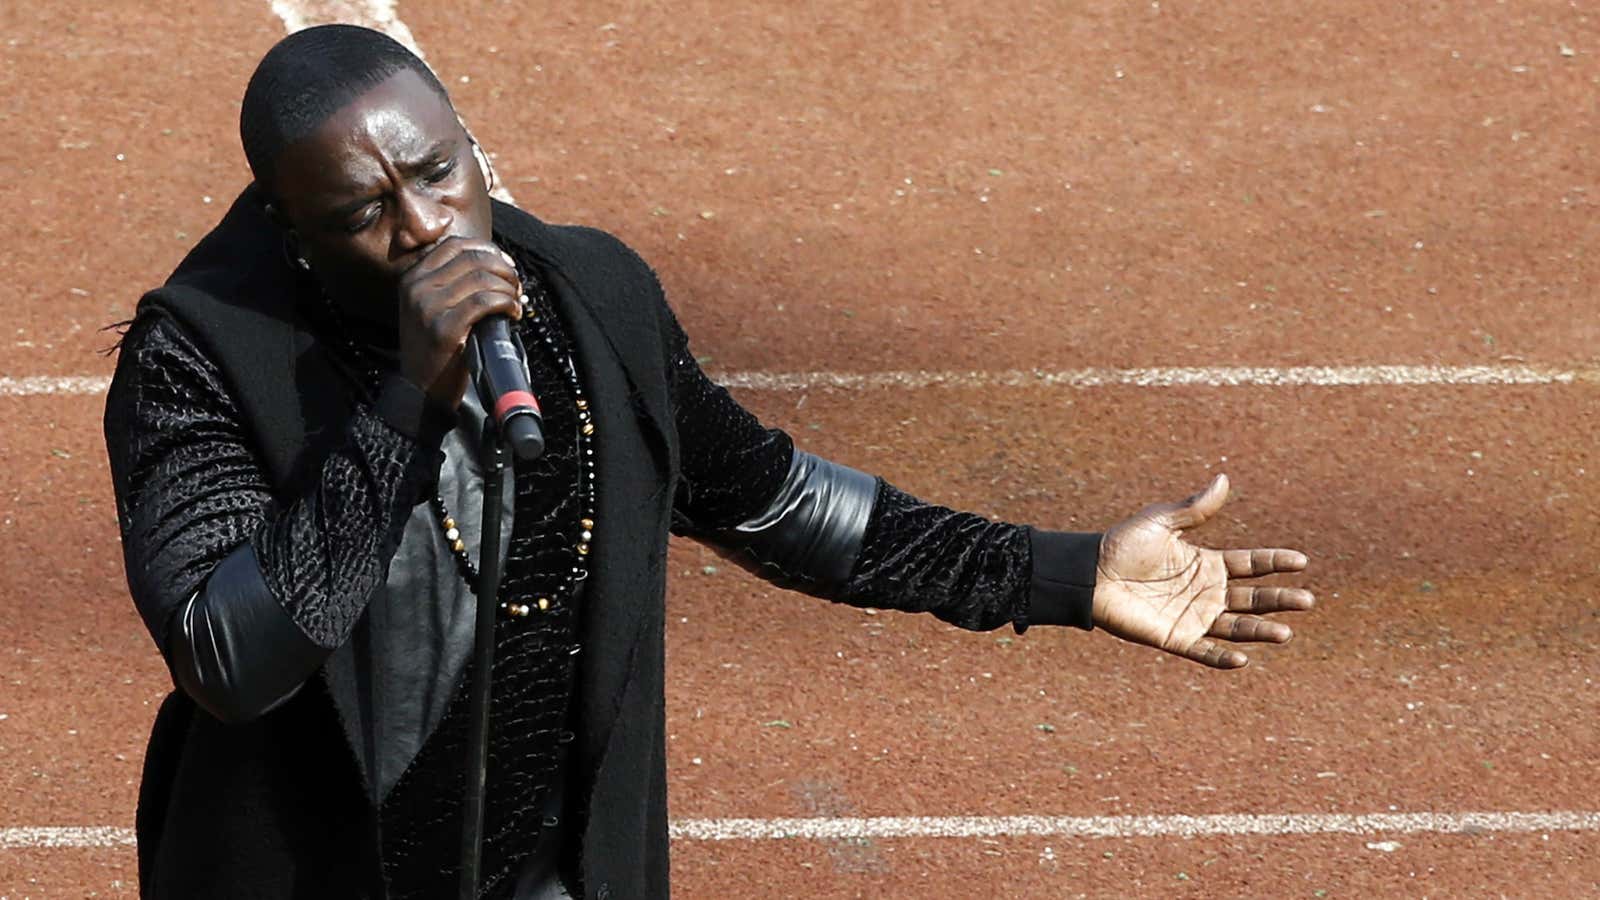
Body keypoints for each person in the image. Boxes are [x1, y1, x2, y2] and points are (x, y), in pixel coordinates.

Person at [102, 24, 1314, 900]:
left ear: (470, 145)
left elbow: (772, 499)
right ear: (286, 230)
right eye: (362, 212)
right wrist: (401, 410)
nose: (423, 226)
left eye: (435, 173)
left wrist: (1062, 574)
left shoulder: (586, 304)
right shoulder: (201, 361)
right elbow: (230, 657)